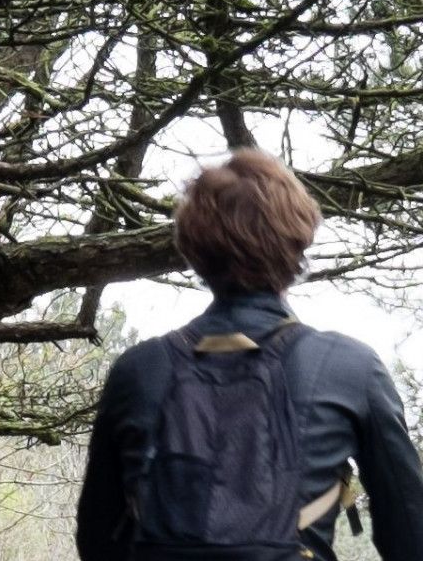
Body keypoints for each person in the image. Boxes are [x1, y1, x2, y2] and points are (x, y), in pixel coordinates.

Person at [75, 149, 423, 560]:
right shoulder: (351, 370)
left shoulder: (139, 371)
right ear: (299, 240)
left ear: (193, 247)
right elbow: (410, 534)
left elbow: (97, 540)